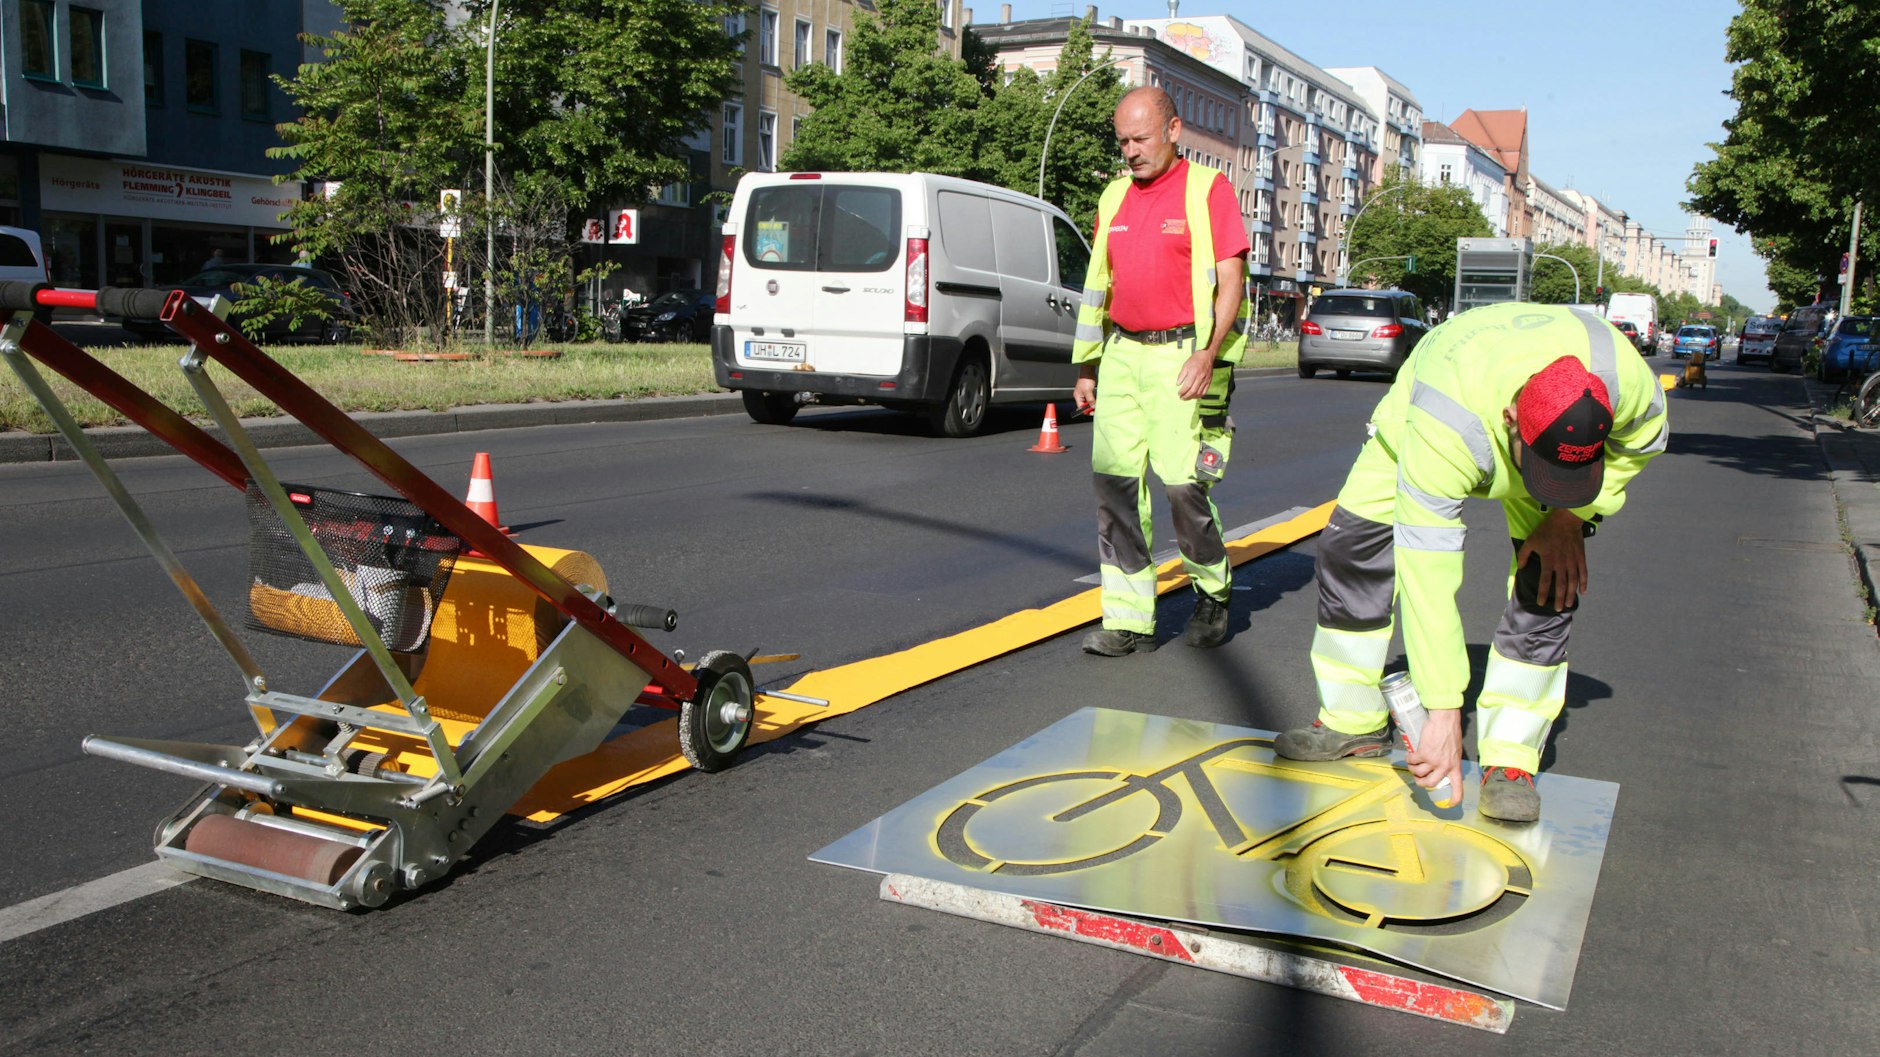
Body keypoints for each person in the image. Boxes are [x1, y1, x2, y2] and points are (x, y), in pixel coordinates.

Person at [1273, 303, 1668, 822]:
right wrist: (1442, 712)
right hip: (1424, 427)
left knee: (1547, 583)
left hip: (1528, 425)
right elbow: (1427, 579)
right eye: (1544, 469)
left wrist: (1570, 517)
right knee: (1353, 551)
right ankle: (1354, 720)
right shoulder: (1445, 424)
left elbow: (1646, 442)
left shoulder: (1627, 383)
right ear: (1512, 422)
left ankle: (1512, 758)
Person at [1072, 86, 1252, 657]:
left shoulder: (1208, 191)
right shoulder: (1113, 197)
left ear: (1173, 131)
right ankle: (1128, 619)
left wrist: (1207, 352)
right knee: (1116, 489)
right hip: (1122, 354)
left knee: (1182, 487)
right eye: (1122, 140)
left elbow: (1232, 282)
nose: (1130, 151)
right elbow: (1098, 285)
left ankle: (1213, 590)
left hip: (1182, 356)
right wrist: (1087, 366)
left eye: (1141, 138)